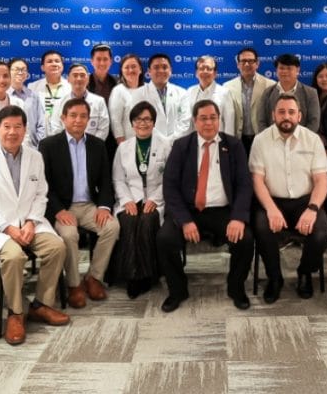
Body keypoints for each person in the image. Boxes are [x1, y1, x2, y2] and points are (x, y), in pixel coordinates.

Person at [0, 105, 69, 345]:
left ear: (25, 129)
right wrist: (7, 228)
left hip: (30, 223)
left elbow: (41, 193)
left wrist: (31, 222)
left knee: (57, 247)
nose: (12, 132)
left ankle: (41, 304)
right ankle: (15, 312)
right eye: (7, 127)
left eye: (18, 127)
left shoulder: (35, 157)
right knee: (13, 257)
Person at [157, 99, 254, 312]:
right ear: (195, 121)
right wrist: (185, 221)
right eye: (203, 118)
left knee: (245, 239)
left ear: (219, 120)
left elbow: (244, 185)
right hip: (188, 210)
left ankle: (236, 288)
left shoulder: (233, 145)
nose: (208, 123)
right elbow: (170, 187)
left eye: (213, 118)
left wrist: (238, 218)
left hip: (222, 211)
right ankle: (177, 290)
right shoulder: (181, 146)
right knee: (165, 239)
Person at [38, 98, 119, 308]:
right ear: (63, 118)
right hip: (63, 207)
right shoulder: (48, 145)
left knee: (112, 226)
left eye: (83, 116)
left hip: (89, 205)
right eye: (73, 115)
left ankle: (93, 277)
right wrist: (58, 210)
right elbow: (44, 185)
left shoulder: (97, 145)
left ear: (88, 120)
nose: (78, 120)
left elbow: (105, 181)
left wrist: (104, 206)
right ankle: (73, 285)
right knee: (68, 234)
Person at [249, 95, 327, 302]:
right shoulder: (260, 140)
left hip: (305, 201)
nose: (287, 117)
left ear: (299, 116)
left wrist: (312, 209)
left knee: (321, 233)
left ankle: (305, 272)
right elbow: (257, 180)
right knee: (262, 228)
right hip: (271, 200)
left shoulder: (312, 140)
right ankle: (274, 278)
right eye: (282, 112)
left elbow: (321, 180)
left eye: (291, 112)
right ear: (273, 115)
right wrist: (271, 209)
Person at [111, 101, 172, 298]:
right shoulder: (124, 147)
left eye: (147, 119)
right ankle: (131, 275)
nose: (142, 123)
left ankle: (147, 275)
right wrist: (126, 200)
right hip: (131, 196)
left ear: (154, 122)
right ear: (132, 123)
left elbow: (170, 178)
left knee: (147, 221)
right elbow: (118, 179)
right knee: (128, 221)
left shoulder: (165, 145)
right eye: (138, 119)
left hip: (156, 198)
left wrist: (155, 199)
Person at [222, 47, 275, 154]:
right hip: (237, 138)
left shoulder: (270, 85)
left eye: (250, 61)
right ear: (238, 64)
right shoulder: (227, 87)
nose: (247, 64)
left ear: (257, 64)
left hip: (261, 137)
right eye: (243, 61)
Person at [256, 53, 321, 132]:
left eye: (289, 68)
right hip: (272, 138)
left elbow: (314, 122)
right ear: (276, 70)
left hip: (301, 139)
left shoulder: (310, 93)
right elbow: (261, 121)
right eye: (281, 68)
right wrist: (269, 137)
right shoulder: (267, 92)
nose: (285, 71)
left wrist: (301, 138)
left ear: (297, 70)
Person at [132, 54, 190, 140]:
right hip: (150, 142)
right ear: (149, 71)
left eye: (164, 67)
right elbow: (137, 122)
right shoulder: (138, 94)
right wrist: (159, 141)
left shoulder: (182, 93)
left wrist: (170, 141)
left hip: (177, 143)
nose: (161, 71)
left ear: (170, 70)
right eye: (156, 67)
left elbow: (185, 122)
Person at [49, 63, 110, 140]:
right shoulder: (59, 102)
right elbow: (55, 128)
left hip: (92, 145)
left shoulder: (99, 101)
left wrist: (92, 144)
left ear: (88, 79)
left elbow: (103, 128)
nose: (79, 78)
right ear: (68, 79)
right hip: (65, 145)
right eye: (75, 75)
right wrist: (68, 144)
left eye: (82, 75)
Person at [185, 55, 240, 136]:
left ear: (215, 73)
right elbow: (188, 121)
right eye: (201, 68)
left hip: (218, 140)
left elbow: (229, 122)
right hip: (196, 140)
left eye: (209, 69)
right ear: (196, 73)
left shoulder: (224, 92)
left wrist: (228, 141)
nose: (205, 71)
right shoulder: (190, 91)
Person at [28, 50, 67, 140]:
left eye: (57, 61)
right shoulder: (32, 87)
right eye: (49, 61)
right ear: (42, 67)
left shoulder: (71, 88)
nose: (54, 64)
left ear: (62, 66)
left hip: (64, 139)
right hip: (39, 139)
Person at [8, 58, 45, 147]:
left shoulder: (33, 95)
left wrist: (38, 144)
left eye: (23, 70)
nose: (20, 72)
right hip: (9, 145)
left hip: (32, 147)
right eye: (17, 69)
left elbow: (42, 123)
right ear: (8, 72)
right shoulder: (3, 95)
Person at [108, 53, 146, 142]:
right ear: (122, 71)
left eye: (134, 66)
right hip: (128, 142)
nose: (130, 70)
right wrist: (122, 144)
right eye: (126, 67)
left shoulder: (149, 89)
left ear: (140, 69)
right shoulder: (118, 91)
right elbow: (115, 121)